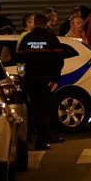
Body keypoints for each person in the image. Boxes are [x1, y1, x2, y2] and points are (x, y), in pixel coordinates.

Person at [16, 14, 64, 150]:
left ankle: (28, 138)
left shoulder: (26, 39)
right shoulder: (51, 39)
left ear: (35, 24)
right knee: (44, 110)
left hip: (30, 80)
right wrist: (55, 79)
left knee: (31, 109)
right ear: (45, 23)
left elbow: (19, 60)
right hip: (46, 82)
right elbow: (58, 60)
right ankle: (41, 141)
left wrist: (22, 76)